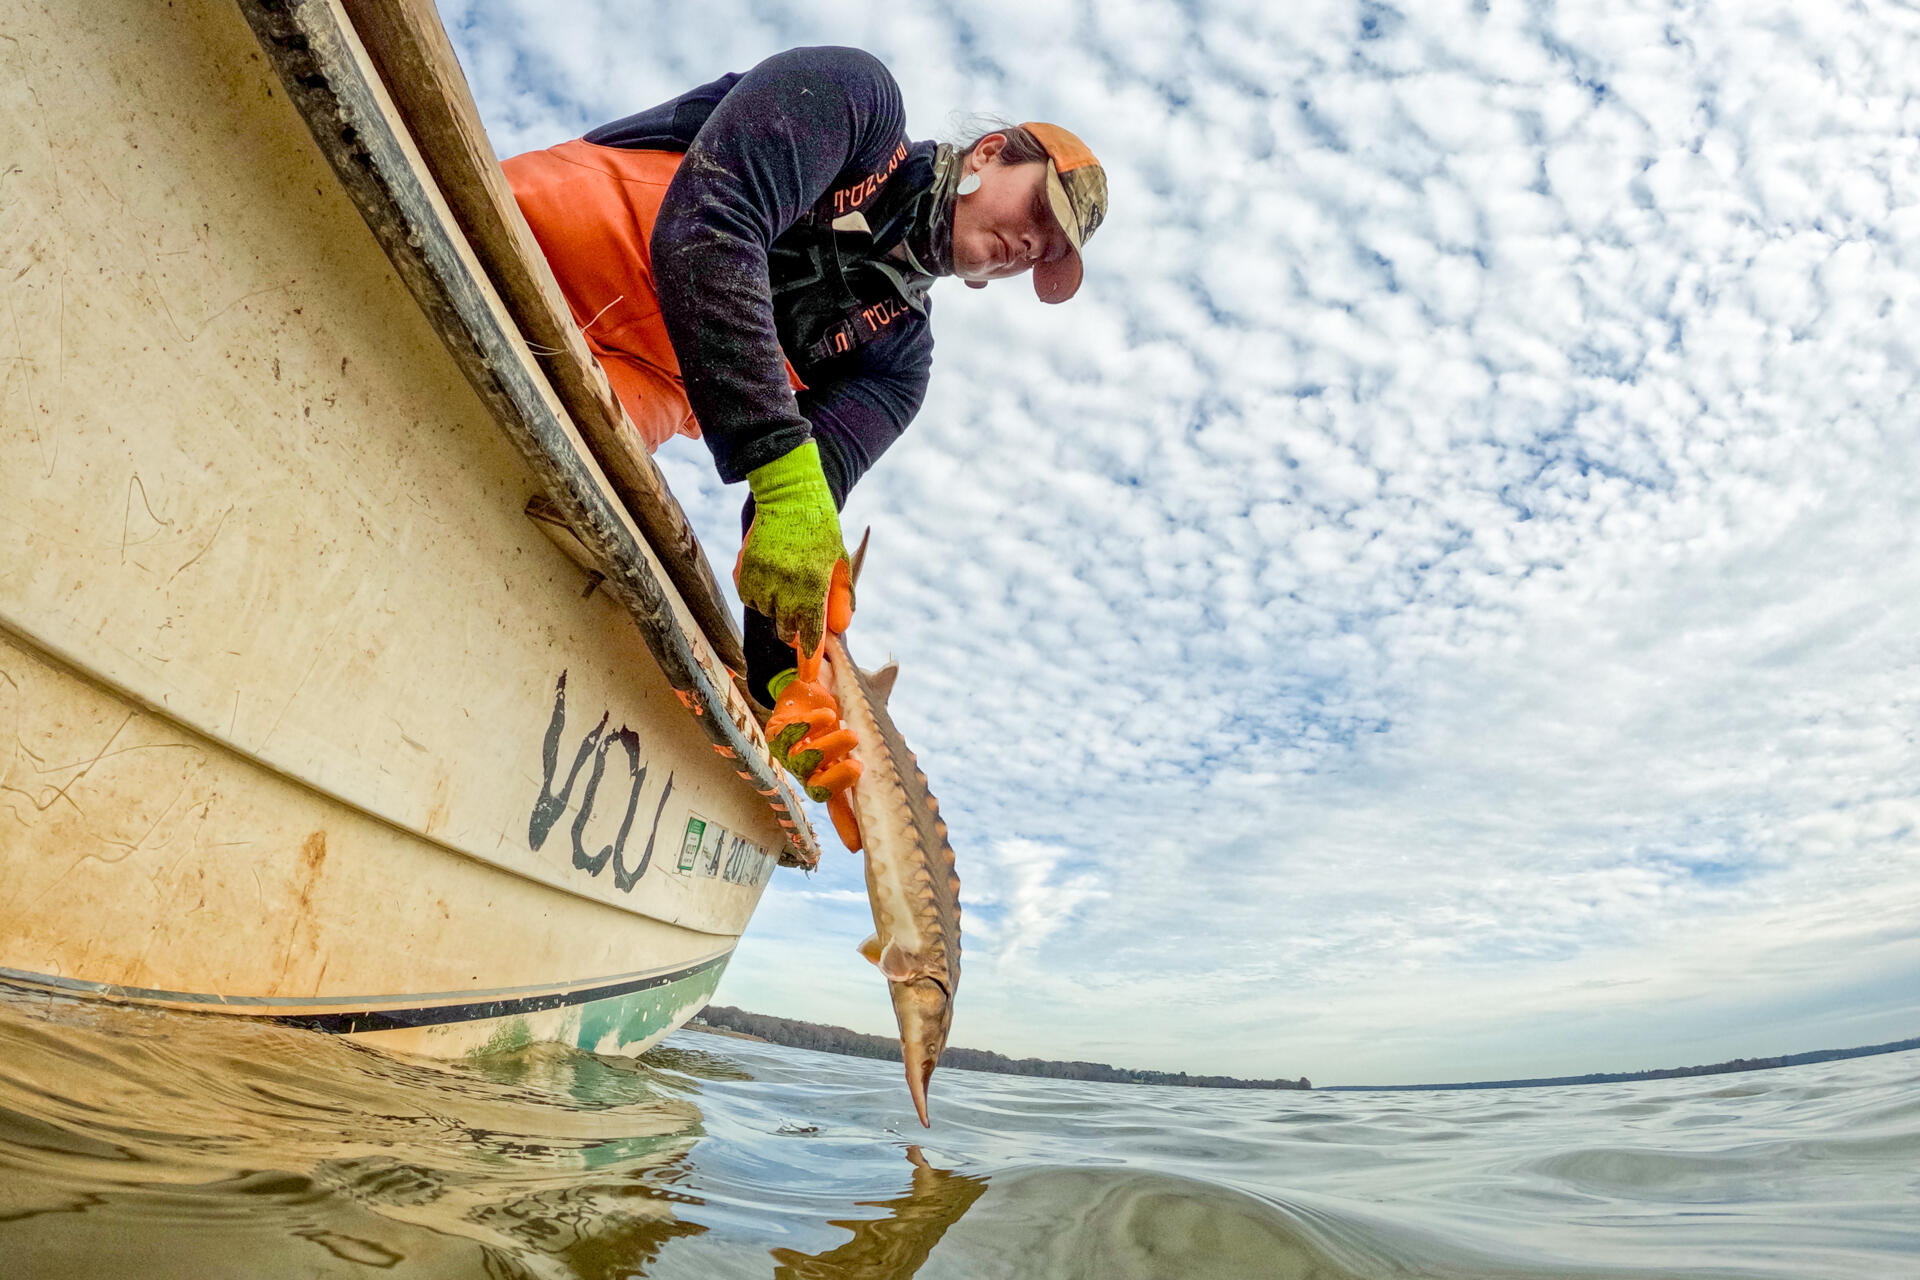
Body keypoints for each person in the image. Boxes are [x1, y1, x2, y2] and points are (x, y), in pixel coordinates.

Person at [503, 46, 1107, 797]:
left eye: (1046, 253)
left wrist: (787, 681)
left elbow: (790, 524)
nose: (1029, 246)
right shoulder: (858, 104)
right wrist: (785, 469)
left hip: (599, 401)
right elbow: (710, 224)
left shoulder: (897, 364)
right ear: (990, 153)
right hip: (513, 241)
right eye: (1038, 212)